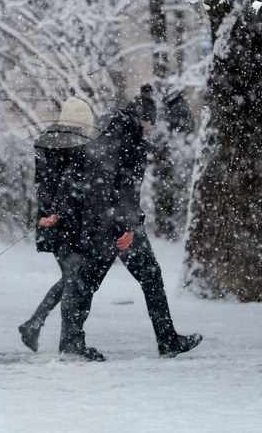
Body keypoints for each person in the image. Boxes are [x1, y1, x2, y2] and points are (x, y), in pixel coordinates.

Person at [57, 85, 203, 361]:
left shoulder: (105, 132)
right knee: (150, 277)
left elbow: (94, 181)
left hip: (98, 221)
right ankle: (167, 339)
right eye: (149, 123)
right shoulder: (131, 138)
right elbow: (125, 187)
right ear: (142, 119)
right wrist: (126, 227)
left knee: (84, 282)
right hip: (118, 226)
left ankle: (71, 341)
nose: (149, 129)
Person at [18, 96, 95, 352]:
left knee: (71, 278)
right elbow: (70, 185)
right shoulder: (75, 144)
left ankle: (37, 324)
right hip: (69, 223)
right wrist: (60, 212)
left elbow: (44, 184)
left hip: (51, 222)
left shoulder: (46, 141)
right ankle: (65, 340)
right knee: (74, 279)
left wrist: (45, 214)